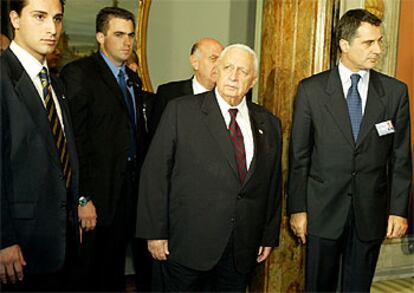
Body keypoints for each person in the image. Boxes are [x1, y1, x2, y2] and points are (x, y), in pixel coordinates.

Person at [136, 44, 282, 292]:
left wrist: (268, 235)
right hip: (187, 246)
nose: (234, 77)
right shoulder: (181, 111)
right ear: (217, 71)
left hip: (240, 249)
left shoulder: (269, 123)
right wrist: (155, 232)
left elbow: (272, 183)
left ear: (253, 80)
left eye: (243, 71)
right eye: (228, 68)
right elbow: (155, 174)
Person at [288, 9, 411, 292]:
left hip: (370, 213)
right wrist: (298, 209)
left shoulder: (395, 93)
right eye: (369, 43)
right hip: (322, 211)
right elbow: (299, 157)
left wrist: (398, 210)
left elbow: (401, 157)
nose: (377, 50)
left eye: (380, 41)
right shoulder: (311, 91)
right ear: (344, 44)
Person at [60, 6, 150, 292]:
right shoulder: (79, 73)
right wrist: (83, 197)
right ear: (100, 37)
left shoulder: (132, 79)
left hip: (129, 191)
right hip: (95, 195)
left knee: (115, 273)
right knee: (90, 273)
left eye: (131, 35)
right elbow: (74, 141)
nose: (127, 42)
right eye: (119, 34)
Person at [0, 0, 84, 291]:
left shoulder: (55, 84)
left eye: (57, 19)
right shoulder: (2, 77)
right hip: (19, 247)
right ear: (15, 19)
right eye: (40, 17)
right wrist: (3, 239)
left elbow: (63, 157)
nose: (52, 29)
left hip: (62, 240)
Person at [150, 37, 224, 134]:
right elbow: (158, 140)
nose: (219, 65)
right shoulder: (169, 95)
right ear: (195, 63)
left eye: (222, 61)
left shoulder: (228, 98)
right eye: (213, 59)